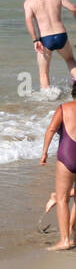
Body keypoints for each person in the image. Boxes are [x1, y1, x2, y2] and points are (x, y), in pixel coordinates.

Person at [40, 84, 76, 251]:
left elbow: (51, 129)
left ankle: (65, 240)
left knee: (63, 200)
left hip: (68, 154)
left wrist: (44, 153)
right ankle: (69, 230)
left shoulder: (64, 108)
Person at [24, 0, 76, 90]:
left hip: (46, 39)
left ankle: (47, 100)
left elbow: (29, 22)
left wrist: (35, 40)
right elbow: (73, 8)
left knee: (43, 73)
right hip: (61, 35)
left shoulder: (29, 2)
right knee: (70, 60)